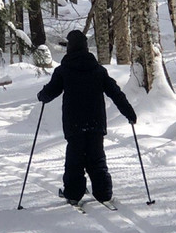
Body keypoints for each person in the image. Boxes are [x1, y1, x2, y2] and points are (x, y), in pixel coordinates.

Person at [37, 29, 136, 206]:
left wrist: (42, 95)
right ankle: (104, 194)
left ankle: (74, 194)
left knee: (74, 160)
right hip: (96, 123)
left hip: (74, 123)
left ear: (70, 49)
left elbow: (50, 91)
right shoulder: (98, 70)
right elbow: (115, 93)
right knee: (97, 158)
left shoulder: (64, 70)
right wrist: (128, 112)